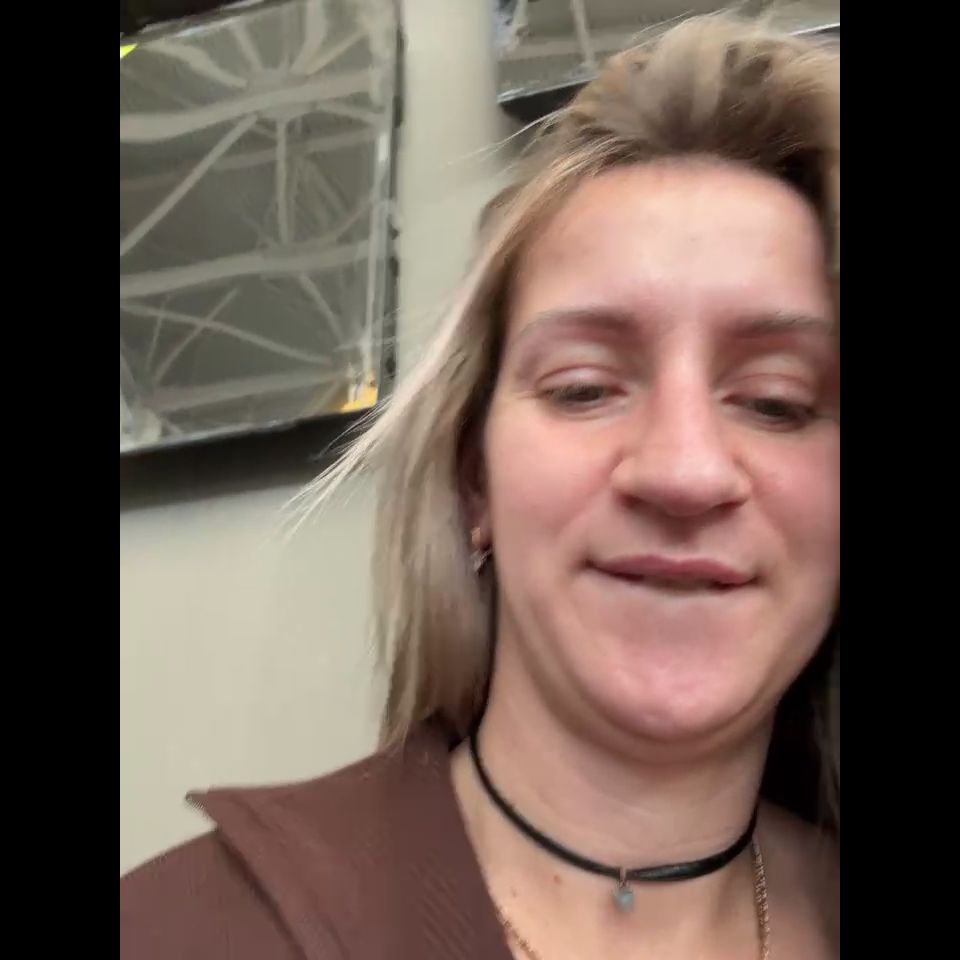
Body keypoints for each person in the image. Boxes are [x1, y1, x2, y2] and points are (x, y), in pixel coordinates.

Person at [121, 14, 840, 959]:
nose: (684, 469)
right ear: (474, 486)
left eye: (777, 401)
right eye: (583, 388)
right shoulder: (179, 932)